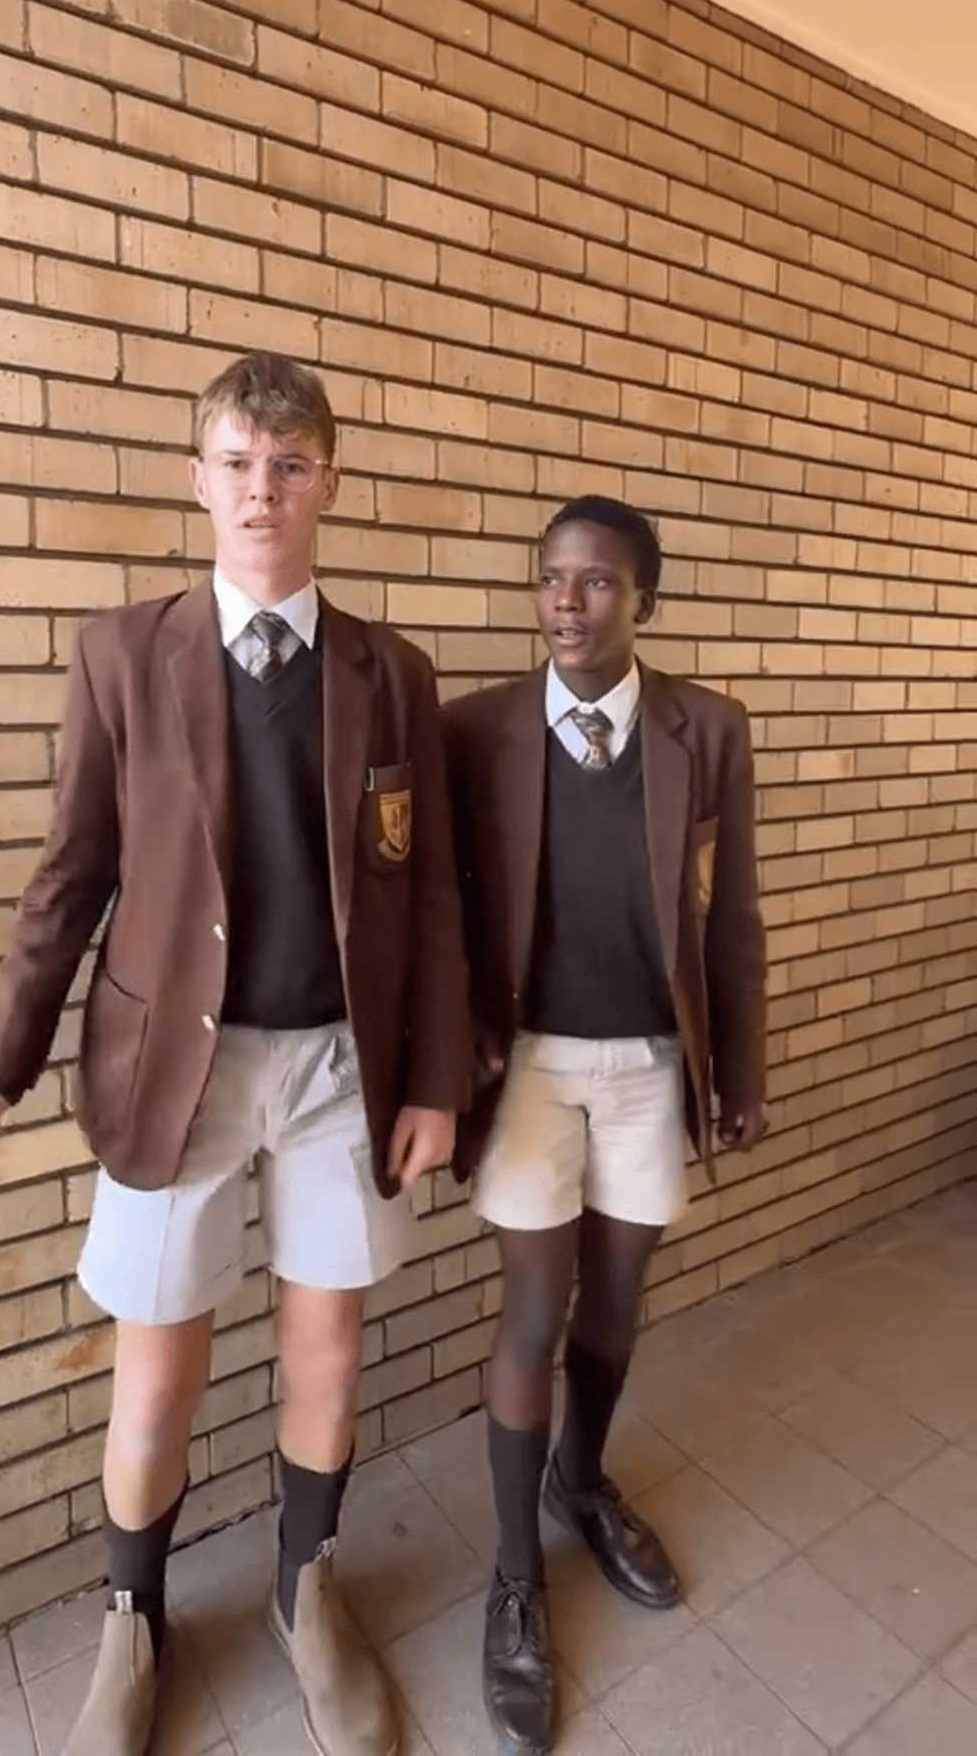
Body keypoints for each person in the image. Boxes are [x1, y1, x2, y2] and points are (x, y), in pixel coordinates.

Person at [0, 352, 471, 1756]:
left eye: (289, 465)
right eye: (236, 462)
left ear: (328, 483)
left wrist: (433, 1081)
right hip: (180, 1075)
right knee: (157, 1373)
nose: (261, 490)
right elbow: (71, 879)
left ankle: (308, 1589)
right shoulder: (123, 656)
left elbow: (435, 895)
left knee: (327, 1357)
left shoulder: (393, 673)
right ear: (199, 479)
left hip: (342, 1075)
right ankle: (134, 1619)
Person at [444, 495, 767, 1756]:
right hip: (526, 1068)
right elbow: (435, 910)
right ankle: (516, 1576)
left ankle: (584, 1481)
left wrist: (734, 1066)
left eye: (595, 583)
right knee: (534, 1312)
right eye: (550, 581)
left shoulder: (708, 729)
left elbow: (729, 913)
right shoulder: (477, 730)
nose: (567, 603)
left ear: (644, 599)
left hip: (646, 1063)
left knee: (619, 1307)